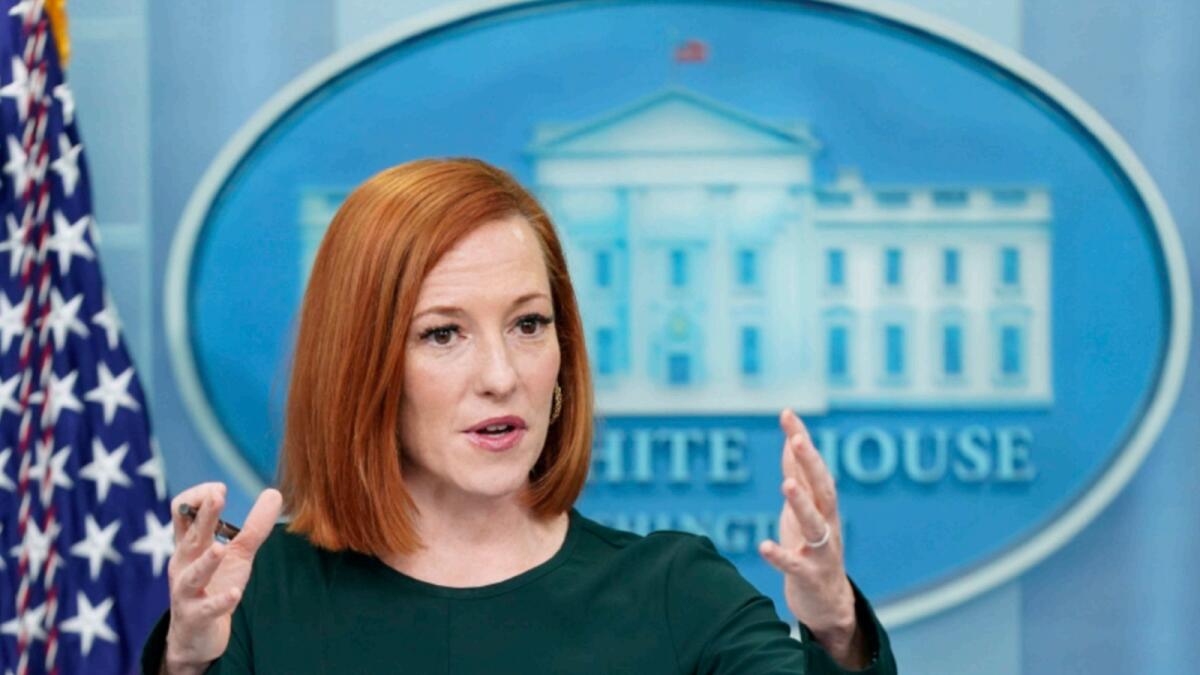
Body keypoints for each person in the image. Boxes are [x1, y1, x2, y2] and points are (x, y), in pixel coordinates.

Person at [143, 158, 898, 674]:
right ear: (360, 364)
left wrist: (835, 627)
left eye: (529, 324)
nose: (502, 376)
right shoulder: (257, 598)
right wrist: (186, 665)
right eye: (444, 334)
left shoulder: (675, 591)